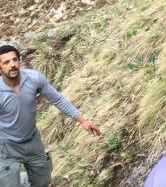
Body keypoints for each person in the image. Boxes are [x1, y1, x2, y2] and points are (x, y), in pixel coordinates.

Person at [0, 44, 101, 187]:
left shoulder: (34, 78)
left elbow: (57, 99)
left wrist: (82, 121)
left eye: (15, 60)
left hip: (32, 141)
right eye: (6, 62)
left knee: (43, 182)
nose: (12, 65)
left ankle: (22, 180)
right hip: (7, 146)